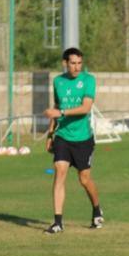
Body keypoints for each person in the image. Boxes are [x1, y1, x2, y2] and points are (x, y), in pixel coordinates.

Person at [42, 48, 102, 233]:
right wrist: (51, 134)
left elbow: (85, 108)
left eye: (79, 63)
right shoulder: (58, 81)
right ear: (65, 63)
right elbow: (57, 106)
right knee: (60, 171)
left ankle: (97, 209)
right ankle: (58, 221)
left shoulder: (88, 80)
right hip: (63, 137)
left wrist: (60, 113)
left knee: (84, 179)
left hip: (83, 138)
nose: (76, 67)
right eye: (73, 63)